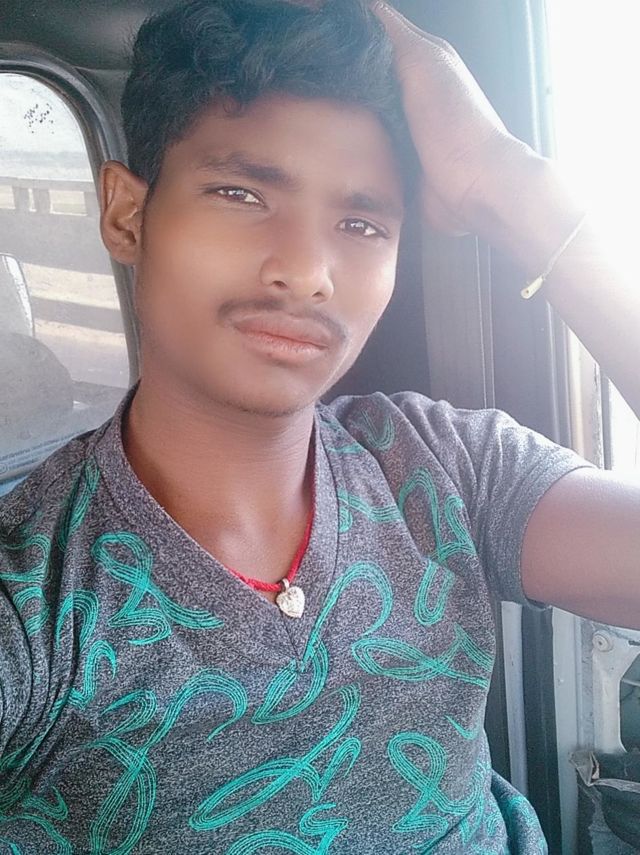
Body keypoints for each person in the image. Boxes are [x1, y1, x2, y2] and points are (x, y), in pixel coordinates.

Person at [0, 0, 638, 851]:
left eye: (362, 224)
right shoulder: (32, 597)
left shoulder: (443, 466)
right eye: (241, 193)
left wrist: (508, 183)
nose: (306, 271)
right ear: (126, 214)